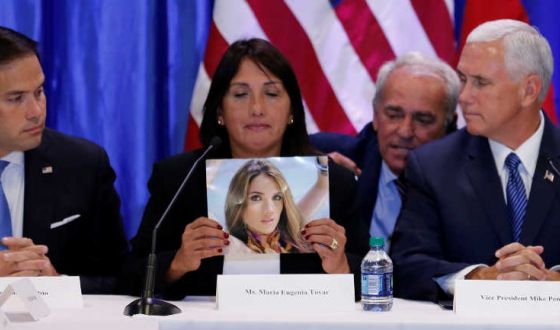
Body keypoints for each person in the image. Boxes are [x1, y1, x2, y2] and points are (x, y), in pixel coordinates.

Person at [123, 38, 368, 299]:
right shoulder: (179, 179)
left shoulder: (336, 181)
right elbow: (128, 275)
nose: (257, 109)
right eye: (240, 94)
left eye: (271, 94)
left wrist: (341, 267)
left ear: (291, 111)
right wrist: (177, 264)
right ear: (220, 110)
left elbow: (377, 277)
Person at [391, 19, 560, 303]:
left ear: (529, 90)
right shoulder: (432, 165)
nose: (464, 97)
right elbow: (407, 265)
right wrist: (482, 277)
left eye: (481, 83)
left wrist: (549, 281)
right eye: (463, 80)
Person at [0, 26, 128, 292]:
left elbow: (121, 279)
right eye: (16, 99)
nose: (36, 111)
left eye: (39, 92)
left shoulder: (82, 165)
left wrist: (58, 286)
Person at [311, 52, 460, 247]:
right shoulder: (323, 156)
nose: (405, 131)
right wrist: (309, 175)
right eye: (394, 115)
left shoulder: (469, 183)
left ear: (449, 125)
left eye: (423, 120)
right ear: (375, 115)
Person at [225, 158, 327, 254]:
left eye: (277, 197)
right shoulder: (233, 246)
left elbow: (322, 187)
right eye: (256, 198)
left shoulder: (292, 232)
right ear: (237, 204)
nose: (270, 210)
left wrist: (323, 161)